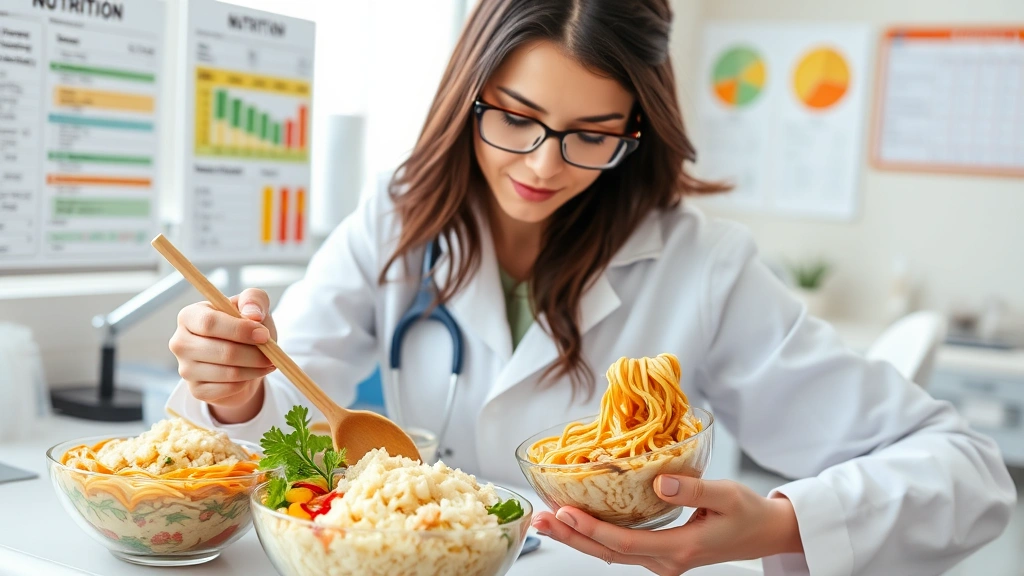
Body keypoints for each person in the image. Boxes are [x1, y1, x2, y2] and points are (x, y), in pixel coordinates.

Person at [166, 0, 1016, 573]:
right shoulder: (394, 219)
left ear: (636, 130)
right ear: (470, 96)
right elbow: (283, 418)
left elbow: (971, 473)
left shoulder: (701, 266)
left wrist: (778, 524)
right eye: (516, 118)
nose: (541, 166)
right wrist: (233, 391)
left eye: (590, 135)